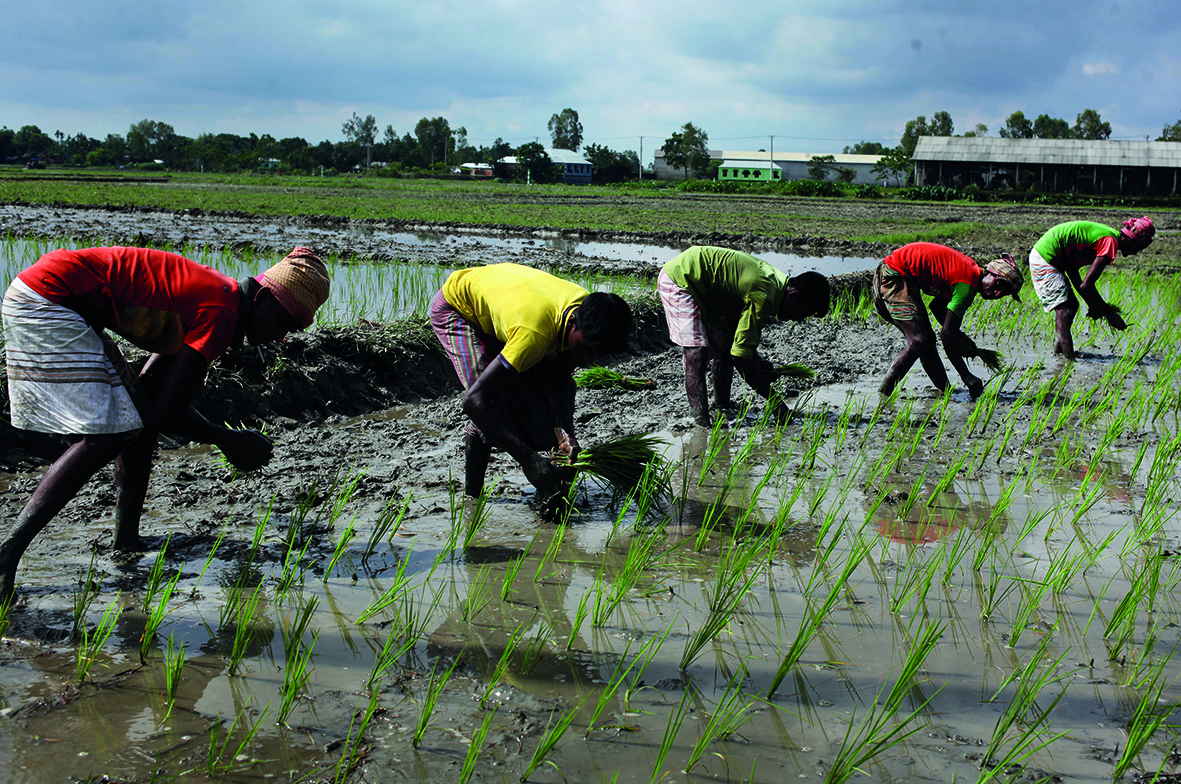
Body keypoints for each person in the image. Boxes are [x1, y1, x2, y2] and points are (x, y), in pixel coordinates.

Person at [0, 245, 331, 598]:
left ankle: (126, 540)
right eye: (283, 323)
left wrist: (219, 436)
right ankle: (7, 555)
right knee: (102, 438)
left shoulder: (220, 300)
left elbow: (153, 394)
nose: (280, 337)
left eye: (291, 331)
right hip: (47, 298)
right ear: (263, 299)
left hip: (58, 297)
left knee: (136, 419)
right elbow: (170, 409)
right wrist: (229, 439)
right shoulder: (222, 310)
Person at [429, 263, 632, 502]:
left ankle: (549, 487)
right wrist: (527, 459)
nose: (588, 359)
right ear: (572, 323)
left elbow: (557, 380)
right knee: (493, 406)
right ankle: (472, 500)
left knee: (556, 392)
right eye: (586, 349)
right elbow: (474, 400)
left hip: (512, 307)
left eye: (597, 354)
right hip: (460, 307)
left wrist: (565, 435)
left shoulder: (590, 317)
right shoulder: (534, 334)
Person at [657, 245, 830, 426]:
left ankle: (722, 407)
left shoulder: (776, 286)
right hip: (681, 279)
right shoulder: (764, 295)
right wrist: (775, 401)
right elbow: (739, 358)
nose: (800, 319)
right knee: (697, 353)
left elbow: (739, 347)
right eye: (804, 312)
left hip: (710, 290)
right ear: (793, 296)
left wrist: (757, 360)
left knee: (725, 347)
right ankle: (702, 424)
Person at [873, 242, 1023, 398]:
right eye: (999, 284)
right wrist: (966, 375)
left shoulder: (967, 274)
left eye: (1004, 293)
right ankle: (883, 395)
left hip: (904, 276)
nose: (998, 293)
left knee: (928, 341)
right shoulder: (967, 284)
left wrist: (959, 337)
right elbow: (946, 335)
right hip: (894, 273)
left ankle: (945, 392)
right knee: (918, 341)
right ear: (989, 273)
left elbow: (938, 307)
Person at [1029, 217, 1154, 361]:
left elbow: (1074, 271)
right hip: (1045, 258)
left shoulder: (1106, 237)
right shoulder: (1109, 241)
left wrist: (1092, 305)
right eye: (1139, 249)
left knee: (1072, 305)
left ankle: (1060, 352)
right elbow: (1087, 285)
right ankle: (1069, 363)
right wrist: (1109, 313)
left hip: (1055, 258)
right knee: (1063, 311)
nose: (1136, 253)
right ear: (1132, 242)